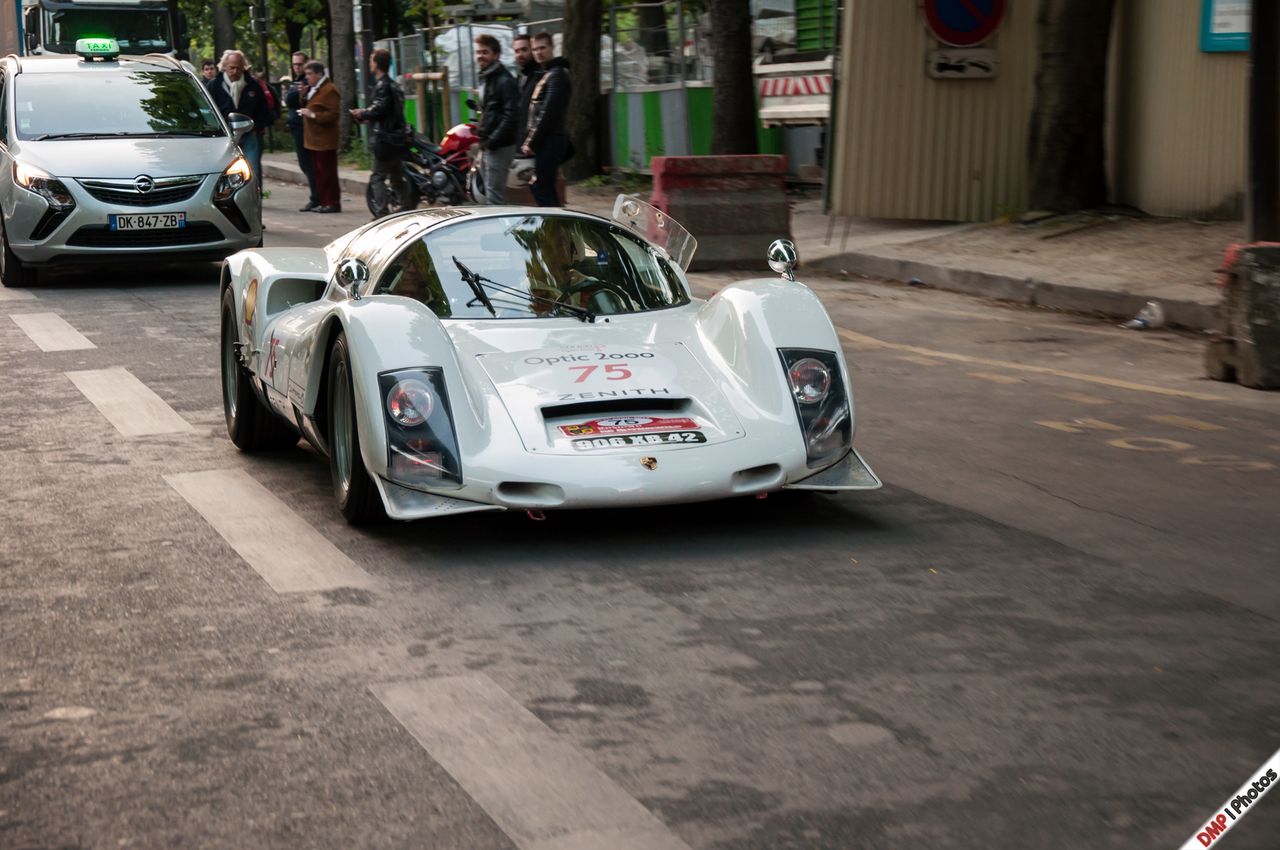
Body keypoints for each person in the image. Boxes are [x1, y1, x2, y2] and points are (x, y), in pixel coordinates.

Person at [351, 48, 409, 218]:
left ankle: (381, 213)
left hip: (386, 139)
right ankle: (406, 206)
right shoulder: (393, 85)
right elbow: (388, 111)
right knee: (396, 174)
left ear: (376, 64)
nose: (369, 64)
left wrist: (362, 113)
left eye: (371, 60)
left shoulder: (382, 85)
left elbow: (380, 108)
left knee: (377, 177)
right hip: (397, 138)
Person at [205, 50, 272, 193]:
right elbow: (207, 111)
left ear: (244, 67)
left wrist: (256, 126)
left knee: (253, 169)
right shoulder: (214, 86)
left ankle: (254, 196)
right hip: (224, 137)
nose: (235, 71)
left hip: (249, 135)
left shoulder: (253, 86)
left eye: (238, 67)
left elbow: (264, 110)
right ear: (224, 66)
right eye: (231, 67)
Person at [520, 32, 571, 207]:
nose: (538, 52)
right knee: (542, 186)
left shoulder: (557, 74)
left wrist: (531, 142)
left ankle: (556, 228)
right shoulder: (548, 73)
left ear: (552, 48)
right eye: (535, 49)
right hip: (548, 139)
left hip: (551, 138)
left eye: (542, 48)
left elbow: (549, 111)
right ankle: (554, 226)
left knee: (543, 188)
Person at [473, 34, 518, 205]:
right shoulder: (488, 77)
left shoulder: (504, 80)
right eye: (478, 52)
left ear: (496, 55)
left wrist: (492, 141)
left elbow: (511, 116)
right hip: (489, 145)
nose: (480, 56)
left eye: (485, 52)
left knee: (494, 197)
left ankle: (501, 230)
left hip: (500, 145)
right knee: (490, 194)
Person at [297, 61, 342, 213]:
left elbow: (333, 114)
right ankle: (322, 201)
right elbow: (310, 104)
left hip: (325, 139)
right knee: (318, 172)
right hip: (314, 139)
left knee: (327, 171)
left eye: (309, 74)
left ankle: (332, 202)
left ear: (319, 74)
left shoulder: (329, 89)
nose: (307, 77)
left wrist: (313, 115)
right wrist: (303, 97)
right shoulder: (315, 88)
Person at [283, 52, 319, 212]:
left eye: (299, 64)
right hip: (296, 125)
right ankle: (316, 196)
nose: (297, 67)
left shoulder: (305, 82)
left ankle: (316, 197)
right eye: (294, 64)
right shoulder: (298, 81)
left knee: (308, 163)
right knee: (305, 164)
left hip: (303, 126)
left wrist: (292, 95)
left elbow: (290, 100)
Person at [511, 33, 541, 135]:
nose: (520, 54)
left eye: (524, 50)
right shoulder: (520, 78)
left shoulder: (540, 75)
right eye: (517, 51)